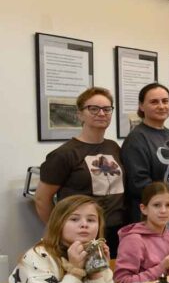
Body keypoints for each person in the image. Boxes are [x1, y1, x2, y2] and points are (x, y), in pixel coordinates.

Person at [0, 196, 120, 283]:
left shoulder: (94, 254)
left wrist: (96, 274)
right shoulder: (37, 257)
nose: (84, 224)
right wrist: (75, 273)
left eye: (91, 220)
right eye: (74, 219)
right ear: (58, 223)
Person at [35, 87, 125, 255]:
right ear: (80, 114)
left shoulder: (113, 147)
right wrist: (60, 231)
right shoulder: (64, 154)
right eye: (93, 109)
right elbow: (41, 199)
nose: (101, 113)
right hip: (81, 235)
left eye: (107, 109)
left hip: (114, 231)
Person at [121, 83, 169, 222]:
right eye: (154, 102)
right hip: (152, 216)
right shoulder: (136, 139)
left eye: (165, 101)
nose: (161, 106)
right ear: (141, 106)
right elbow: (138, 183)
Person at [114, 182, 169, 283]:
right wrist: (162, 268)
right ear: (144, 209)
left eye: (168, 205)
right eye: (156, 205)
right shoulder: (133, 240)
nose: (163, 210)